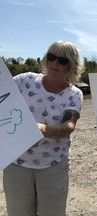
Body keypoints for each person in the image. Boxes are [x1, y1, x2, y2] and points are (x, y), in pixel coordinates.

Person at [3, 40, 84, 216]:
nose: (55, 63)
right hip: (16, 163)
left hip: (53, 166)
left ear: (72, 66)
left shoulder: (74, 94)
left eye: (62, 61)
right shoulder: (25, 80)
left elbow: (69, 125)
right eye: (51, 57)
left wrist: (44, 129)